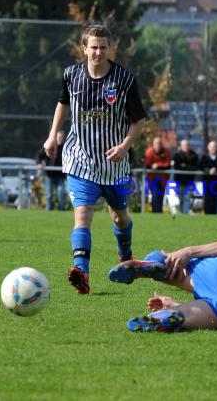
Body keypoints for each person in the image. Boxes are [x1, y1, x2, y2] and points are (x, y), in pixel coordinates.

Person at [42, 24, 146, 294]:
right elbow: (63, 103)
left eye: (103, 47)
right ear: (84, 48)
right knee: (83, 215)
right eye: (93, 47)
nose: (98, 52)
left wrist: (124, 146)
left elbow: (139, 121)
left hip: (115, 165)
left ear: (109, 49)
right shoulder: (70, 75)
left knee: (119, 218)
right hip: (81, 159)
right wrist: (53, 135)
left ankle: (125, 256)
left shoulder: (124, 80)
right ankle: (82, 272)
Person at [36, 130, 67, 211]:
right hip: (49, 175)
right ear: (55, 138)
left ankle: (62, 211)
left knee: (61, 194)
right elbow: (39, 156)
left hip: (61, 176)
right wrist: (39, 163)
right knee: (49, 195)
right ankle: (48, 211)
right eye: (59, 137)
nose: (60, 139)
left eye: (62, 137)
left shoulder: (66, 148)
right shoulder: (50, 146)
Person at [144, 137, 172, 213]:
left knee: (161, 197)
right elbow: (148, 165)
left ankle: (159, 213)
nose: (158, 145)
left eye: (159, 143)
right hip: (152, 180)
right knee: (155, 197)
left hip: (163, 180)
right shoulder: (149, 152)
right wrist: (158, 166)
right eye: (156, 143)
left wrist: (158, 165)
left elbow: (168, 165)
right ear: (153, 144)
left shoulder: (166, 152)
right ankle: (155, 212)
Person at [200, 140, 217, 215]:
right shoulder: (204, 157)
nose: (213, 148)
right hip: (208, 183)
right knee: (208, 202)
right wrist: (209, 170)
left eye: (215, 147)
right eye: (212, 147)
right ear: (208, 148)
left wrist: (216, 170)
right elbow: (202, 167)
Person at [172, 139, 199, 214]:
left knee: (187, 197)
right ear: (181, 146)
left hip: (190, 181)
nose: (185, 147)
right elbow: (177, 167)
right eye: (184, 145)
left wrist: (185, 166)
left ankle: (185, 213)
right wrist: (188, 167)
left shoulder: (194, 155)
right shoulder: (177, 156)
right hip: (179, 181)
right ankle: (182, 212)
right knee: (181, 198)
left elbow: (196, 167)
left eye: (187, 145)